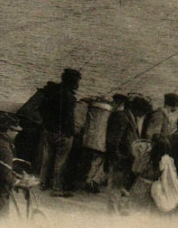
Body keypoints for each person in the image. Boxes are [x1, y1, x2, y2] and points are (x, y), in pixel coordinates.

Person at [38, 68, 80, 197]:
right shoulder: (70, 98)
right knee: (60, 161)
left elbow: (41, 108)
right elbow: (68, 118)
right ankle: (56, 188)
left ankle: (43, 183)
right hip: (62, 133)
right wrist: (71, 132)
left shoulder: (52, 91)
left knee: (47, 157)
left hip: (48, 129)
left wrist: (47, 123)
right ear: (73, 82)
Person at [105, 96, 149, 214]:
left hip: (124, 158)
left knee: (119, 185)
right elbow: (113, 140)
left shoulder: (128, 116)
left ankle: (116, 209)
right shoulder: (122, 117)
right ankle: (112, 213)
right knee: (116, 186)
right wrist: (117, 156)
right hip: (120, 158)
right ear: (138, 110)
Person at [83, 93, 128, 193]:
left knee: (97, 163)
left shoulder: (113, 114)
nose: (114, 103)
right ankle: (90, 182)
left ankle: (89, 182)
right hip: (104, 144)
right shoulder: (120, 115)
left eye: (115, 102)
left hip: (99, 141)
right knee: (99, 164)